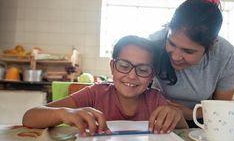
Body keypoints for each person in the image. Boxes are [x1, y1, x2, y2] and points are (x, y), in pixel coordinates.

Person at [22, 35, 188, 135]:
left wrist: (176, 115)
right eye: (124, 66)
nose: (131, 75)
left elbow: (184, 131)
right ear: (112, 67)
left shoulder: (155, 99)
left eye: (143, 69)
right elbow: (29, 117)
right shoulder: (95, 93)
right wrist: (63, 113)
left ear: (152, 75)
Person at [150, 0, 234, 127]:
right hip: (157, 117)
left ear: (211, 45)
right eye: (172, 43)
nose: (175, 56)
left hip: (202, 120)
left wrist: (191, 113)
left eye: (188, 51)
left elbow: (221, 108)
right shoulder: (155, 41)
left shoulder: (227, 56)